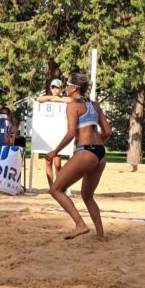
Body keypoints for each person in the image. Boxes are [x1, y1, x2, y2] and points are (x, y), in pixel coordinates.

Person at [44, 70, 112, 241]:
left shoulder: (72, 105)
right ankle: (101, 236)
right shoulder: (95, 105)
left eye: (67, 84)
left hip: (86, 151)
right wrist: (97, 144)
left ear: (75, 88)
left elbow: (70, 134)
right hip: (100, 153)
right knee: (88, 196)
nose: (66, 87)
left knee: (56, 189)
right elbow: (108, 131)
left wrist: (55, 151)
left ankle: (80, 224)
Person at [36, 78, 68, 186]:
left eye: (57, 87)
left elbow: (72, 100)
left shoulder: (65, 100)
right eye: (53, 87)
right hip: (48, 135)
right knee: (48, 162)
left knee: (58, 164)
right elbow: (38, 99)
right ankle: (51, 187)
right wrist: (52, 98)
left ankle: (59, 186)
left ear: (61, 89)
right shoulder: (47, 99)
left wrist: (57, 99)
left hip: (59, 135)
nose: (55, 90)